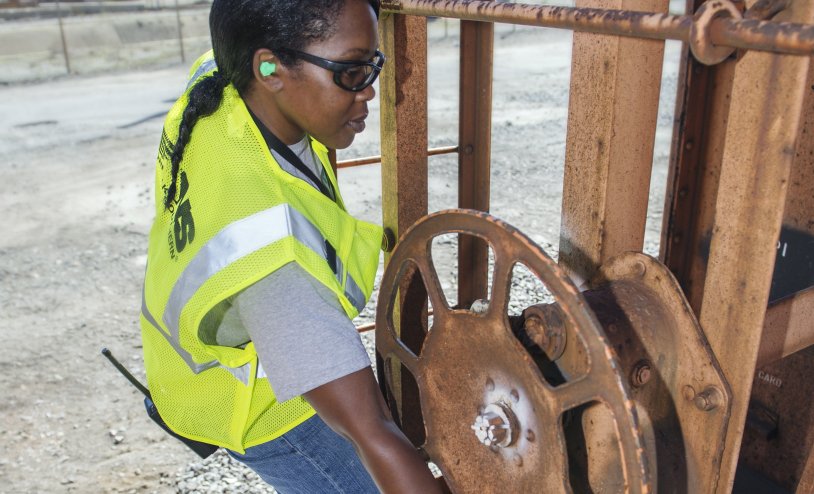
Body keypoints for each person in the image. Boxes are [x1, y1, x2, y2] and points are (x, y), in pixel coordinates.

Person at [139, 0, 441, 492]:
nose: (369, 90)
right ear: (269, 69)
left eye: (373, 66)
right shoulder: (275, 265)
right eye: (351, 72)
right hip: (268, 413)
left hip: (227, 357)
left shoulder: (221, 82)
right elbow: (371, 432)